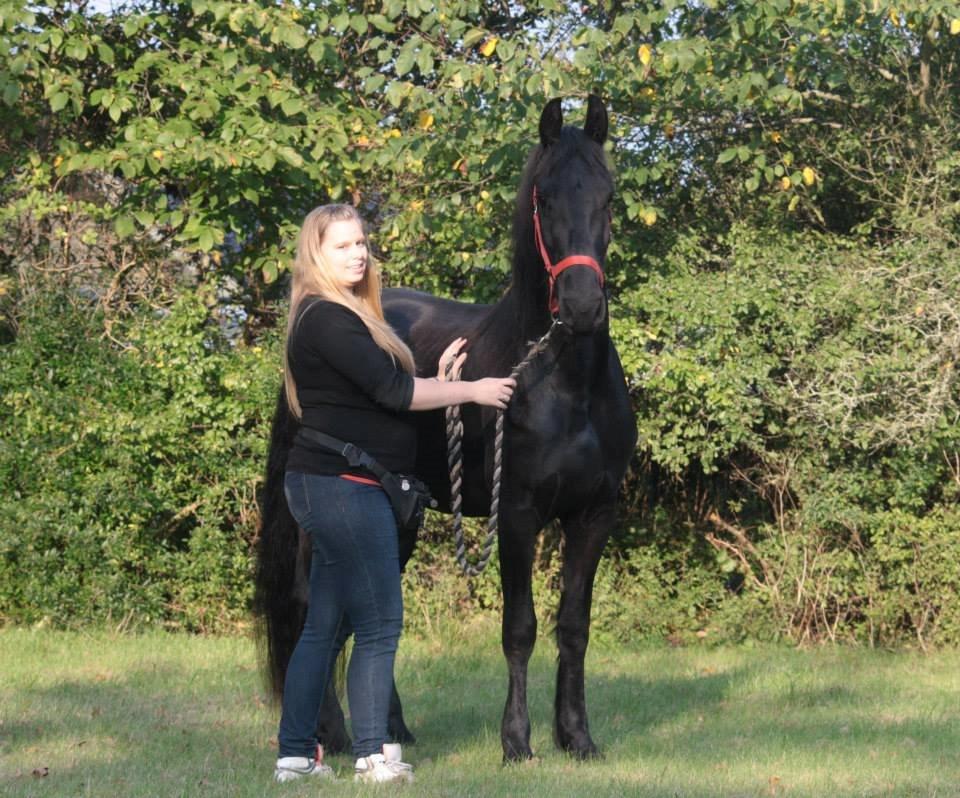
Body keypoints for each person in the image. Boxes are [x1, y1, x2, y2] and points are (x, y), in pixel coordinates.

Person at [273, 204, 516, 784]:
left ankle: (295, 757)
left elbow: (380, 391)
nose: (358, 253)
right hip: (346, 490)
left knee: (325, 627)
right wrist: (478, 389)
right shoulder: (328, 319)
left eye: (361, 243)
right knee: (380, 623)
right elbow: (393, 391)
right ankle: (372, 755)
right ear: (316, 254)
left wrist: (447, 380)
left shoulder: (346, 315)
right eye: (343, 246)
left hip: (335, 486)